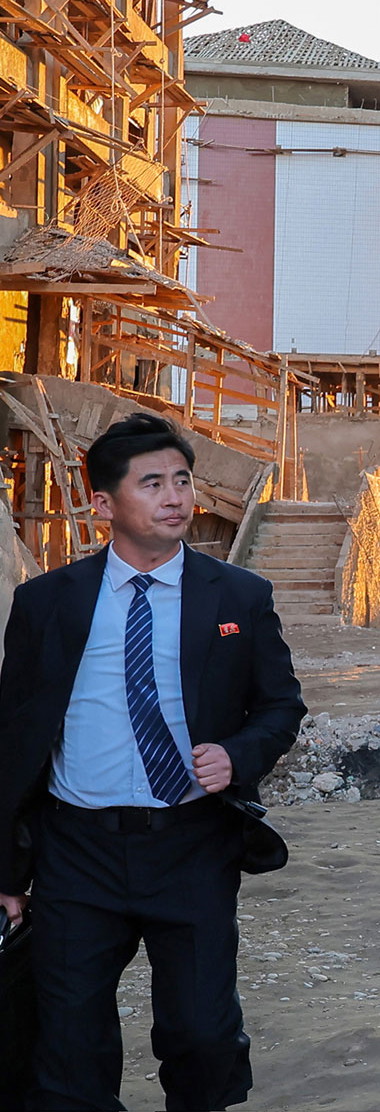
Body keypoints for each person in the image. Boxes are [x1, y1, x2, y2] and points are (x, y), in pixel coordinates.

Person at [0, 412, 306, 1109]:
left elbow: (282, 707)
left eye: (182, 479)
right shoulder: (48, 602)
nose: (175, 496)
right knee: (68, 1048)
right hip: (76, 853)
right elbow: (13, 740)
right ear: (105, 505)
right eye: (152, 484)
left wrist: (237, 754)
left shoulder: (238, 596)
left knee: (202, 1035)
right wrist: (7, 874)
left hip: (190, 846)